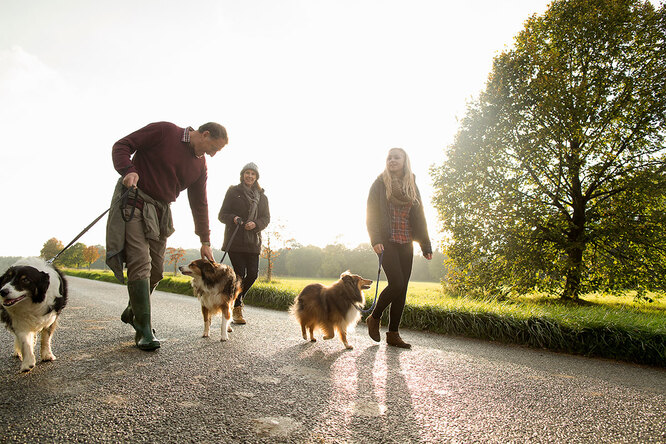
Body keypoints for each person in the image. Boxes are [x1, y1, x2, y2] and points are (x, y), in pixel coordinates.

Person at [106, 121, 228, 351]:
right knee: (140, 263)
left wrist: (205, 240)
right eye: (214, 148)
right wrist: (129, 170)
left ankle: (133, 311)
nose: (212, 154)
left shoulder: (200, 165)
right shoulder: (165, 131)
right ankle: (143, 329)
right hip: (135, 201)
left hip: (160, 212)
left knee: (156, 271)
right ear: (204, 134)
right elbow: (122, 145)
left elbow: (199, 203)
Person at [366, 147, 432, 348]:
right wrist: (375, 238)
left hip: (406, 242)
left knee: (402, 289)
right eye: (389, 158)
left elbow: (419, 217)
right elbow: (371, 213)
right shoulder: (379, 184)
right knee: (396, 283)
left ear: (405, 161)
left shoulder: (411, 185)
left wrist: (425, 244)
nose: (392, 160)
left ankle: (393, 334)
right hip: (386, 241)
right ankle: (374, 317)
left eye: (397, 157)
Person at [218, 162, 270, 324]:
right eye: (247, 173)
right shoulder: (233, 192)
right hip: (235, 239)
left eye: (253, 174)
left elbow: (266, 218)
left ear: (256, 177)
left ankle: (233, 298)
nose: (250, 176)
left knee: (253, 274)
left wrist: (256, 224)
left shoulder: (262, 197)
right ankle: (237, 309)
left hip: (253, 241)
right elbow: (222, 215)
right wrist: (234, 218)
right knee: (240, 273)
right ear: (242, 175)